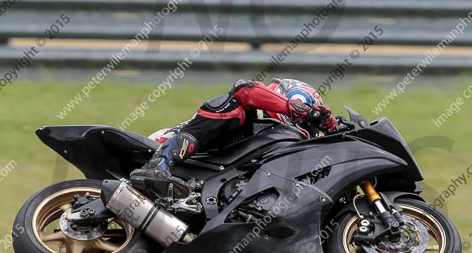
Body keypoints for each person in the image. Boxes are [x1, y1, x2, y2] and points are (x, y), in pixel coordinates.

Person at [130, 78, 340, 198]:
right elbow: (244, 89)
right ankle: (158, 165)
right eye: (305, 119)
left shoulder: (269, 140)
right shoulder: (252, 111)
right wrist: (294, 108)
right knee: (233, 107)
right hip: (158, 145)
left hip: (200, 177)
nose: (306, 127)